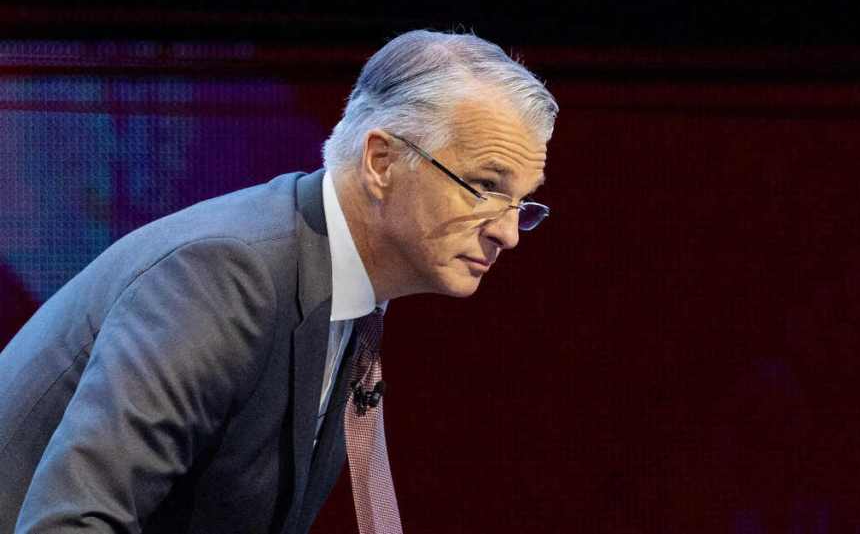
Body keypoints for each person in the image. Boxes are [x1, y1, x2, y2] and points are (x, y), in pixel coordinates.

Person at [0, 30, 557, 533]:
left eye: (522, 202)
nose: (508, 232)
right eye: (486, 186)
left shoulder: (341, 291)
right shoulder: (224, 274)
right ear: (381, 162)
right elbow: (70, 521)